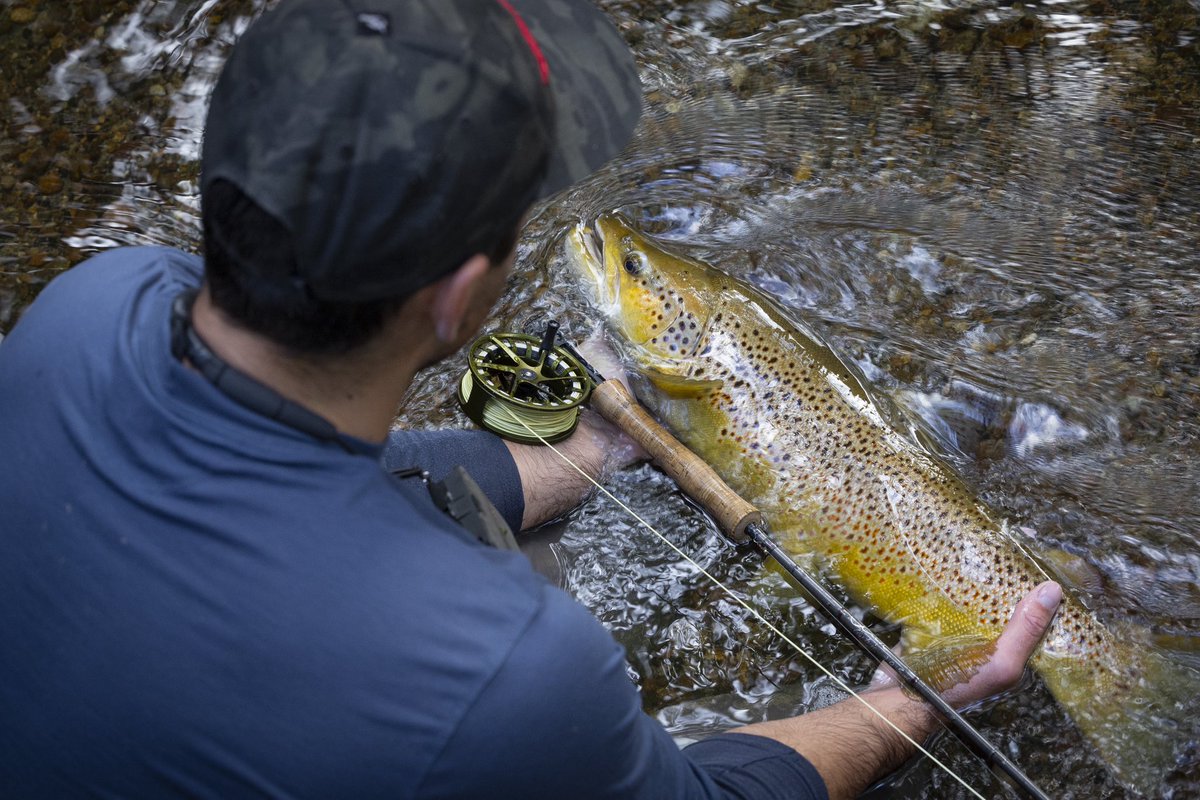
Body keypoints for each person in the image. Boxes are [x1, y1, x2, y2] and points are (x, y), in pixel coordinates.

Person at [0, 1, 1061, 798]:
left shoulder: (85, 311)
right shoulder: (509, 670)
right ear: (464, 293)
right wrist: (912, 697)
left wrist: (601, 451)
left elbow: (312, 473)